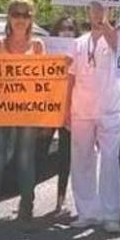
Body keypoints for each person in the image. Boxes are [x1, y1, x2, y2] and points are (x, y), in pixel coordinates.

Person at [0, 0, 45, 229]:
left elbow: (44, 81)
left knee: (26, 160)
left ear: (31, 19)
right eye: (16, 14)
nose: (21, 19)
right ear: (9, 17)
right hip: (1, 111)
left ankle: (26, 210)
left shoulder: (37, 46)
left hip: (27, 111)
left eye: (26, 15)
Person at [68, 3, 120, 234]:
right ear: (87, 12)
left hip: (110, 108)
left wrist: (107, 25)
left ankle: (111, 214)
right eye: (94, 9)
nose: (98, 13)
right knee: (81, 160)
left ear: (111, 12)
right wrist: (64, 108)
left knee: (110, 161)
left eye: (104, 9)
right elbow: (70, 78)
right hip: (81, 108)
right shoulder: (79, 42)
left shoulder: (118, 37)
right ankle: (87, 212)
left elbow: (116, 46)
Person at [40, 15, 79, 213]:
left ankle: (60, 200)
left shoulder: (79, 51)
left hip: (71, 107)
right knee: (40, 151)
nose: (66, 31)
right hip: (49, 106)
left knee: (65, 155)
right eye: (63, 28)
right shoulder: (46, 48)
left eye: (71, 28)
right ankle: (27, 199)